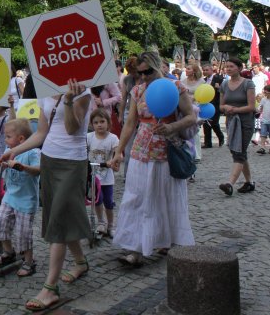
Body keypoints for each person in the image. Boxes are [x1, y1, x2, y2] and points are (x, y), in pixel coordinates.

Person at [1, 79, 92, 311]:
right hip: (50, 159)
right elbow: (41, 133)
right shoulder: (46, 90)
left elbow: (73, 128)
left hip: (73, 161)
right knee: (59, 216)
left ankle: (50, 289)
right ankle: (80, 262)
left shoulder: (83, 90)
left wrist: (69, 100)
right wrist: (13, 151)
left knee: (59, 220)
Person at [108, 51, 195, 266]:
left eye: (147, 71)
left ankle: (168, 240)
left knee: (164, 197)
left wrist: (173, 126)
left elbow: (192, 116)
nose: (144, 76)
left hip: (166, 152)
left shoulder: (175, 87)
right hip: (140, 149)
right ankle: (134, 249)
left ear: (157, 67)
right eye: (140, 72)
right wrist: (119, 150)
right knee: (136, 198)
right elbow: (130, 123)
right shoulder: (137, 90)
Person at [0, 118, 40, 278]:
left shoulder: (33, 152)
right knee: (1, 222)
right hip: (10, 197)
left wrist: (22, 167)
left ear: (21, 139)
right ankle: (8, 252)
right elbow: (0, 174)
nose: (5, 140)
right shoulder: (7, 152)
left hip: (26, 200)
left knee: (24, 233)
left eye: (8, 136)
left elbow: (39, 170)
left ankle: (29, 262)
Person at [218, 57, 257, 196]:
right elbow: (221, 106)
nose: (228, 69)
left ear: (239, 68)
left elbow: (251, 106)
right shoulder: (224, 84)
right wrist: (226, 108)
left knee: (239, 153)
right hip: (231, 122)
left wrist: (235, 109)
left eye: (231, 66)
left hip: (245, 122)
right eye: (227, 66)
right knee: (238, 152)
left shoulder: (248, 84)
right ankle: (249, 182)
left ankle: (230, 184)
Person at [87, 108, 119, 237]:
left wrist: (115, 159)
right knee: (97, 200)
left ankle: (111, 225)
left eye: (102, 121)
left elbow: (118, 152)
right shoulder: (89, 137)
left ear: (108, 123)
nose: (99, 124)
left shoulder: (112, 138)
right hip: (93, 177)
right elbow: (82, 151)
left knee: (108, 201)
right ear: (92, 125)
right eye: (96, 122)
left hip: (107, 177)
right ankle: (100, 222)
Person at [181, 63, 205, 165]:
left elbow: (204, 94)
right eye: (186, 68)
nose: (186, 70)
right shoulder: (182, 81)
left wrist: (194, 98)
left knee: (195, 130)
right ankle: (188, 152)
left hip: (197, 107)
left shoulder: (201, 81)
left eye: (188, 69)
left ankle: (197, 154)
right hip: (185, 107)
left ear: (194, 71)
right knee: (186, 130)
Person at [202, 64, 224, 148]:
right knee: (205, 123)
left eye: (207, 70)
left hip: (215, 104)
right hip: (205, 104)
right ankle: (208, 143)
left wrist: (219, 88)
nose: (205, 71)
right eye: (204, 70)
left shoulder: (218, 79)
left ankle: (220, 136)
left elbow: (223, 92)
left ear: (211, 70)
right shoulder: (203, 80)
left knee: (214, 123)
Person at [257, 85, 270, 154]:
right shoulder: (263, 99)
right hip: (264, 120)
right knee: (263, 134)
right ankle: (262, 147)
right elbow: (260, 107)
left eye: (266, 92)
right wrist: (258, 110)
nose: (264, 94)